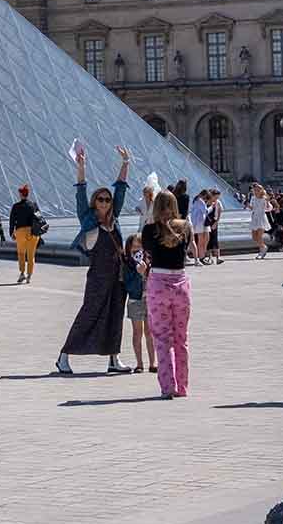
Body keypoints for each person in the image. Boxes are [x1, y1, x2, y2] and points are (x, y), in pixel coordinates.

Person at [57, 145, 132, 376]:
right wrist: (81, 166)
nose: (105, 202)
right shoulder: (87, 218)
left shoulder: (115, 217)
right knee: (89, 313)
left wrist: (125, 163)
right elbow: (80, 190)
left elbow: (120, 189)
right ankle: (63, 357)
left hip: (119, 276)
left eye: (107, 199)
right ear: (94, 202)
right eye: (100, 199)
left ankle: (113, 358)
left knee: (115, 315)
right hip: (98, 276)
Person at [142, 191, 193, 397]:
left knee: (162, 339)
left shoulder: (149, 230)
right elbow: (187, 248)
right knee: (181, 338)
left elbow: (147, 250)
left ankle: (167, 387)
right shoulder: (186, 227)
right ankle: (182, 387)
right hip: (180, 284)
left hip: (158, 285)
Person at [123, 233, 153, 373]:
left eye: (139, 246)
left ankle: (153, 363)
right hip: (135, 299)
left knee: (150, 332)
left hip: (150, 300)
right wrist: (137, 272)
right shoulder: (127, 264)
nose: (136, 249)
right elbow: (128, 285)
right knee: (137, 332)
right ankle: (139, 363)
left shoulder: (150, 261)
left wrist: (145, 272)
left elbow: (155, 279)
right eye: (133, 246)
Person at [10, 184, 41, 284]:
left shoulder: (16, 206)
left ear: (21, 194)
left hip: (21, 232)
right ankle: (29, 276)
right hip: (33, 232)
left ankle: (22, 273)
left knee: (21, 254)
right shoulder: (33, 205)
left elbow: (12, 221)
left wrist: (11, 232)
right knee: (31, 255)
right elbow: (39, 218)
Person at [248, 184, 271, 259]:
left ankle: (261, 251)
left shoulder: (264, 198)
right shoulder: (253, 198)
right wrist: (248, 205)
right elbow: (251, 208)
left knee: (259, 236)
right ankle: (263, 246)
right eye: (255, 190)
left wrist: (267, 201)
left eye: (258, 190)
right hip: (254, 217)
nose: (256, 191)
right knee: (254, 237)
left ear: (261, 190)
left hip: (261, 217)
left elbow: (269, 208)